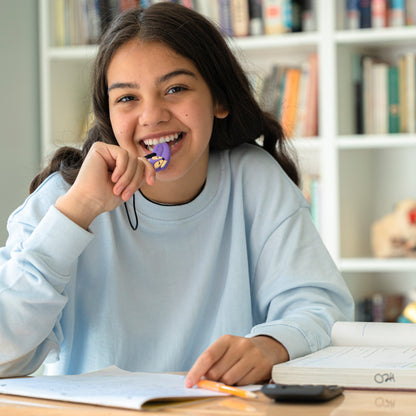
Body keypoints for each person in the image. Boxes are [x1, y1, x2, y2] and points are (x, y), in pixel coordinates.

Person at [0, 3, 354, 386]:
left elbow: (323, 309)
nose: (152, 116)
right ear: (108, 116)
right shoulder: (65, 199)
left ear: (219, 99)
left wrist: (273, 344)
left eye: (175, 89)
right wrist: (77, 212)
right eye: (127, 98)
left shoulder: (255, 180)